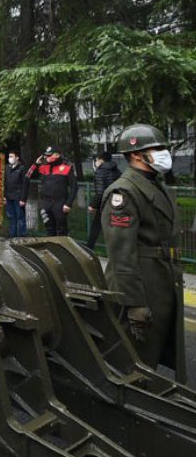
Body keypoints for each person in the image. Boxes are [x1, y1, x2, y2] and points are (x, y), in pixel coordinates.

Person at [101, 124, 185, 383]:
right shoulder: (123, 192)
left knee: (155, 347)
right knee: (136, 355)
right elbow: (121, 254)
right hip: (141, 284)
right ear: (137, 154)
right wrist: (134, 303)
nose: (164, 154)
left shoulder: (154, 185)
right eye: (157, 149)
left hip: (161, 279)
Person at [26, 146, 78, 236]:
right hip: (46, 202)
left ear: (57, 155)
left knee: (61, 229)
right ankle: (51, 247)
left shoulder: (67, 167)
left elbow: (74, 187)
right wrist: (36, 163)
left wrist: (68, 203)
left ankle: (62, 248)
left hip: (60, 203)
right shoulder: (43, 166)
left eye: (49, 155)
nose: (46, 157)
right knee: (49, 228)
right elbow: (28, 176)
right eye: (45, 155)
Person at [86, 151, 121, 249]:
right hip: (117, 203)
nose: (96, 161)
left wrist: (92, 205)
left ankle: (89, 249)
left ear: (101, 160)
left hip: (105, 203)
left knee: (96, 227)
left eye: (96, 159)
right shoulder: (117, 170)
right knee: (115, 227)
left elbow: (100, 191)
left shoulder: (100, 171)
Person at [4, 150, 29, 237]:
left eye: (11, 156)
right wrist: (4, 196)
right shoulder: (7, 168)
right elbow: (4, 183)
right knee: (11, 217)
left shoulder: (22, 168)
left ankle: (22, 236)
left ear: (17, 158)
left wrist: (23, 199)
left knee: (20, 218)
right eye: (9, 156)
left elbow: (25, 184)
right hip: (8, 197)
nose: (9, 158)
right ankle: (12, 235)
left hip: (18, 198)